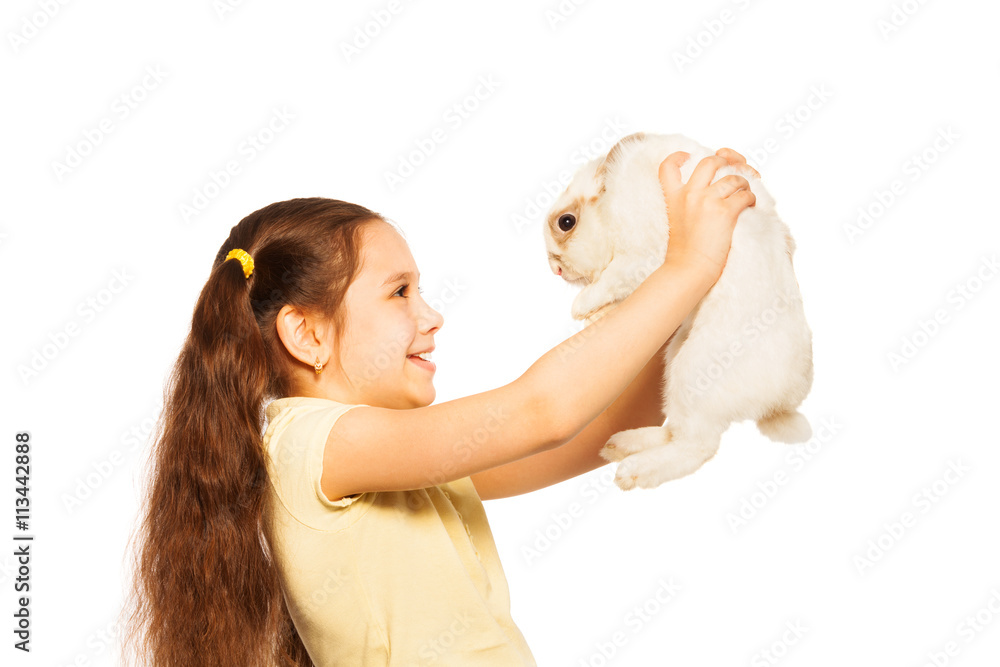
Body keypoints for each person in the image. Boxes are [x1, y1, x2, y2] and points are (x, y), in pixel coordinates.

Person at [118, 148, 758, 666]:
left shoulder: (392, 457)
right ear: (307, 334)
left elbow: (606, 424)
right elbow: (542, 412)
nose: (432, 316)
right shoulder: (313, 444)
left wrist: (705, 293)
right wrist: (688, 266)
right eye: (399, 293)